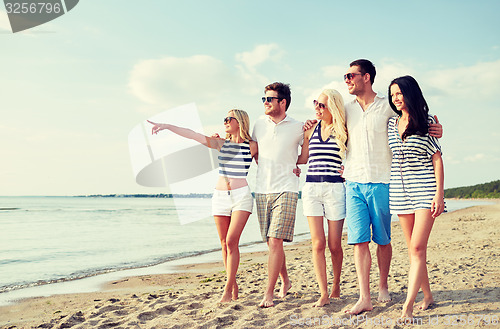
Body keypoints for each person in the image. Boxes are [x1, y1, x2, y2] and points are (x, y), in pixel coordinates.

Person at [340, 59, 443, 315]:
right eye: (393, 94)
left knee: (410, 247)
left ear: (366, 77)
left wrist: (437, 128)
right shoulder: (353, 111)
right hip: (381, 187)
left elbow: (435, 152)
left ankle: (400, 299)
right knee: (403, 248)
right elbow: (327, 121)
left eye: (350, 75)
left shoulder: (396, 112)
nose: (396, 98)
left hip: (404, 186)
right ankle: (417, 295)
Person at [147, 109, 258, 303]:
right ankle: (233, 285)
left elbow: (270, 162)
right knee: (224, 244)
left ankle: (227, 290)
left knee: (232, 241)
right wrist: (167, 126)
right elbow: (192, 134)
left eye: (228, 119)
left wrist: (294, 168)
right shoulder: (220, 144)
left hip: (242, 197)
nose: (224, 122)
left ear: (239, 122)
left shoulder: (252, 146)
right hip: (220, 197)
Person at [387, 75, 445, 319]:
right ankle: (428, 296)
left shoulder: (428, 122)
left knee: (418, 246)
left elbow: (437, 158)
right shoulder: (391, 123)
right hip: (400, 192)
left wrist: (439, 194)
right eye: (392, 95)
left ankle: (407, 306)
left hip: (424, 191)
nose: (395, 98)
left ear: (410, 93)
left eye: (399, 93)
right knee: (414, 251)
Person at [252, 82, 304, 308]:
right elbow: (252, 153)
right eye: (263, 99)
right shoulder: (258, 125)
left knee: (275, 241)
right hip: (262, 189)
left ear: (283, 102)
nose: (265, 102)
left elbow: (306, 155)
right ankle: (286, 280)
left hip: (287, 188)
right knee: (272, 243)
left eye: (269, 99)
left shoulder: (299, 126)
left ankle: (269, 294)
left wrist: (294, 165)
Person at [296, 89, 348, 307]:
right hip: (312, 189)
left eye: (322, 105)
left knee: (334, 244)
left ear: (333, 107)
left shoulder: (344, 130)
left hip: (335, 189)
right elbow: (303, 158)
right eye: (315, 104)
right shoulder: (310, 130)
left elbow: (355, 155)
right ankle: (323, 292)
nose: (317, 108)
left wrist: (349, 169)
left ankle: (336, 284)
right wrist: (287, 164)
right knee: (318, 243)